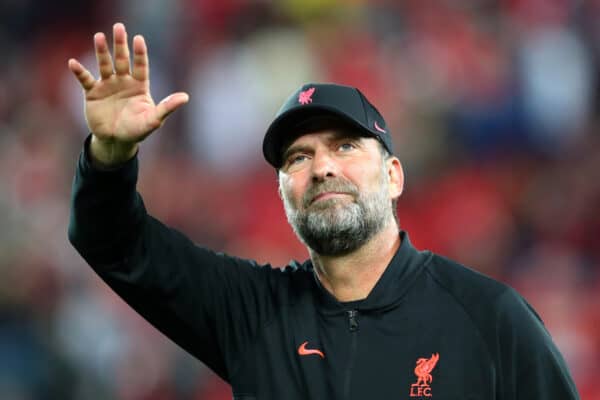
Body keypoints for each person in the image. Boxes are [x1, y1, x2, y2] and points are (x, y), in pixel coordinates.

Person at [67, 23, 580, 399]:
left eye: (345, 147)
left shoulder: (490, 318)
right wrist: (109, 157)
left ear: (395, 176)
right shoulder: (252, 314)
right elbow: (113, 243)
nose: (321, 168)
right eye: (299, 157)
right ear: (283, 192)